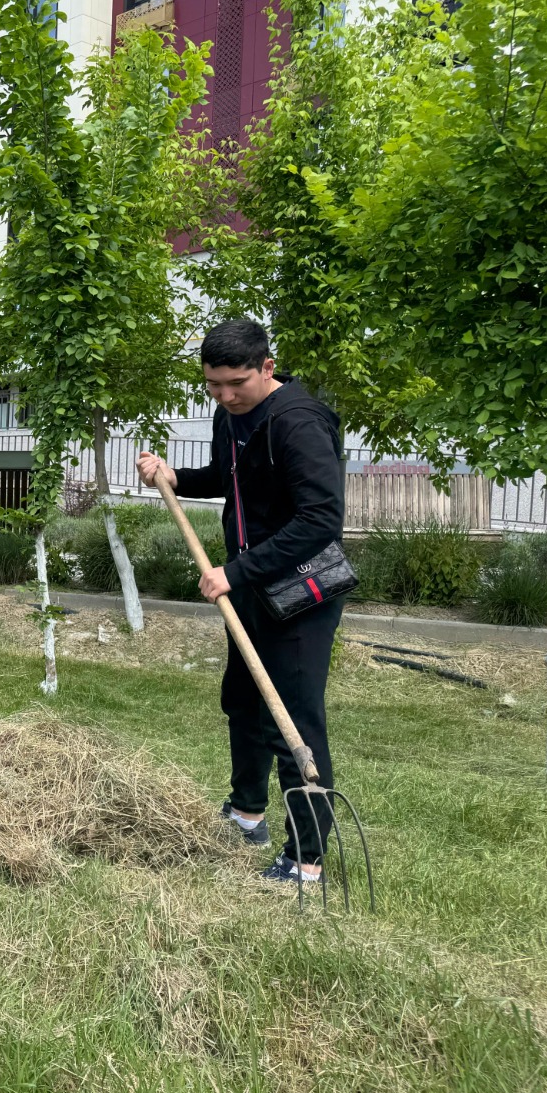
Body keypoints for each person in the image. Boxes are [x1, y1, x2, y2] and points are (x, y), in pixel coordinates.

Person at [136, 318, 346, 886]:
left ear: (267, 368)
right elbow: (231, 481)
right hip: (248, 586)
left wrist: (237, 570)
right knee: (244, 701)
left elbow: (322, 520)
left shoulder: (298, 423)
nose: (225, 396)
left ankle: (306, 859)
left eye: (237, 383)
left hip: (301, 589)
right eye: (213, 385)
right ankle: (247, 813)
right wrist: (174, 476)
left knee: (292, 719)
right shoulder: (230, 417)